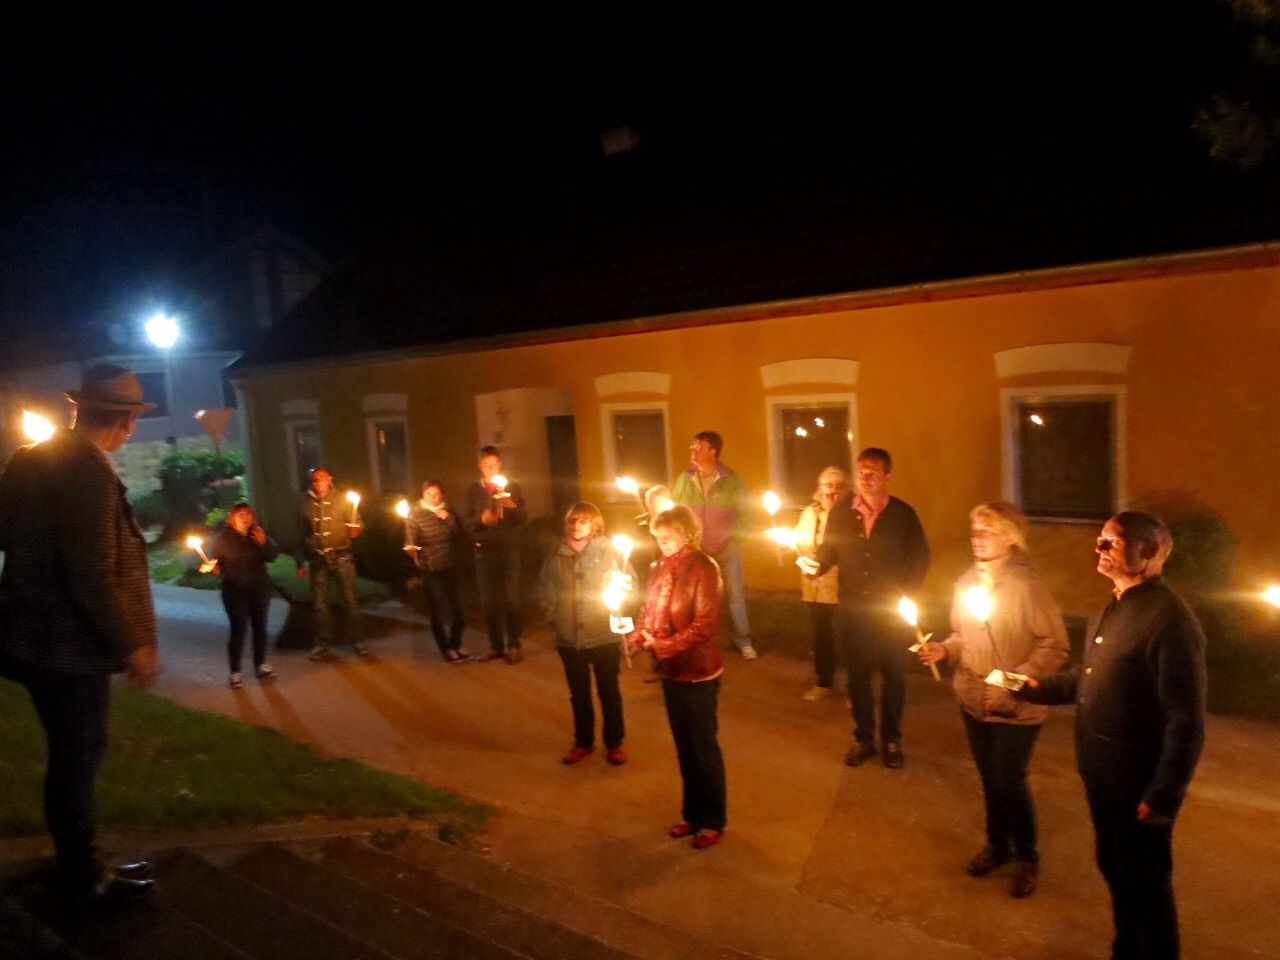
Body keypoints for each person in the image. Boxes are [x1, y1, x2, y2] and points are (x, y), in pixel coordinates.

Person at [0, 364, 159, 908]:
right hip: (71, 648)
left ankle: (77, 862)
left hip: (31, 640)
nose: (133, 427)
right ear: (124, 420)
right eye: (132, 416)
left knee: (69, 754)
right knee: (78, 757)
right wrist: (128, 644)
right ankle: (83, 877)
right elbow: (88, 570)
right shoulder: (88, 470)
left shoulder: (30, 458)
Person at [1019, 512, 1206, 959]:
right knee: (1115, 868)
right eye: (1099, 541)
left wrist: (1163, 796)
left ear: (1149, 552)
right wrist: (1034, 687)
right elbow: (1091, 682)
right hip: (1102, 775)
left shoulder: (1170, 623)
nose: (1098, 551)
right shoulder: (1112, 607)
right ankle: (1127, 947)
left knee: (1147, 882)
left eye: (1111, 544)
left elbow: (1186, 720)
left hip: (1138, 784)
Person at [917, 502, 1069, 898]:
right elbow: (962, 635)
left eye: (987, 531)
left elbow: (1055, 645)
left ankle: (1027, 858)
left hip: (1015, 702)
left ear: (1010, 538)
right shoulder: (967, 583)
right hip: (973, 698)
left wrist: (1017, 679)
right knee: (989, 779)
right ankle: (998, 846)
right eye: (975, 531)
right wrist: (944, 651)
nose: (977, 539)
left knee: (1009, 780)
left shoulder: (1027, 586)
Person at [813, 447, 929, 768]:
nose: (864, 479)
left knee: (894, 677)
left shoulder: (903, 515)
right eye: (861, 472)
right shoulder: (841, 513)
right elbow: (829, 550)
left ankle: (891, 739)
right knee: (858, 678)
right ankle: (864, 738)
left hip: (890, 614)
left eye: (872, 474)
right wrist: (817, 565)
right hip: (852, 612)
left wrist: (907, 592)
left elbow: (920, 558)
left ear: (887, 477)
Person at [627, 505, 727, 849]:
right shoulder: (658, 567)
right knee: (684, 748)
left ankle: (713, 820)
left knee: (703, 749)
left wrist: (665, 645)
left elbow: (704, 625)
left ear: (688, 532)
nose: (662, 541)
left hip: (698, 672)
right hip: (671, 673)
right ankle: (691, 814)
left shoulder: (704, 568)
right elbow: (649, 609)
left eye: (668, 535)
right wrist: (637, 637)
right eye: (657, 536)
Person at [540, 502, 635, 765]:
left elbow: (630, 584)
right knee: (578, 692)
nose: (577, 524)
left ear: (595, 524)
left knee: (609, 690)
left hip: (603, 634)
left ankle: (614, 742)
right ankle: (583, 741)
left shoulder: (610, 552)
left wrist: (622, 594)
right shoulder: (556, 555)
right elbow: (546, 589)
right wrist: (554, 618)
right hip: (570, 638)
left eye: (583, 520)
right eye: (572, 520)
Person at [672, 430, 756, 659]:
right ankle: (697, 640)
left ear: (713, 451)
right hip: (696, 551)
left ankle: (744, 640)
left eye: (698, 448)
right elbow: (676, 512)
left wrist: (735, 538)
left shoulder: (731, 481)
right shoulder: (684, 480)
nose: (693, 452)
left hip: (727, 548)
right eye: (692, 447)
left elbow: (747, 513)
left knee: (735, 595)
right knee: (695, 596)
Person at [460, 446, 527, 663]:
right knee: (489, 601)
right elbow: (465, 521)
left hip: (509, 550)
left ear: (500, 465)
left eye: (494, 464)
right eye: (486, 464)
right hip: (485, 552)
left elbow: (522, 516)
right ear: (480, 466)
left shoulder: (511, 487)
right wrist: (481, 520)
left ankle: (514, 645)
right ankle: (495, 645)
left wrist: (512, 505)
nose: (491, 468)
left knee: (512, 599)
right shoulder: (473, 491)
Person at [295, 466, 367, 659]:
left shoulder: (343, 500)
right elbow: (301, 535)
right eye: (315, 479)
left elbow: (358, 522)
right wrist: (300, 562)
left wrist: (356, 529)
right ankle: (322, 644)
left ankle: (358, 640)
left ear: (330, 480)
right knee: (320, 605)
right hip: (318, 560)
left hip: (342, 557)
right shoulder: (306, 504)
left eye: (323, 478)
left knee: (351, 600)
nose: (319, 482)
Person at [206, 503, 280, 689]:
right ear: (232, 517)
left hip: (259, 589)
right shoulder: (223, 538)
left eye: (248, 514)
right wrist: (214, 569)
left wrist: (265, 543)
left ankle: (260, 664)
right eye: (240, 514)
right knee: (238, 629)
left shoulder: (258, 534)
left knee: (260, 628)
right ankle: (235, 671)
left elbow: (273, 556)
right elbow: (216, 562)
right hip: (234, 591)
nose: (244, 517)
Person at [794, 466, 847, 701]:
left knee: (847, 636)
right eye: (827, 485)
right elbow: (800, 543)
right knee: (821, 635)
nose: (832, 491)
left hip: (842, 587)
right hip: (814, 587)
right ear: (819, 489)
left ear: (846, 490)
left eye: (838, 486)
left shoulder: (849, 515)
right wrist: (804, 560)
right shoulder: (809, 513)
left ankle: (856, 688)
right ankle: (823, 681)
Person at [405, 481, 470, 663]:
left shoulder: (448, 510)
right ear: (423, 495)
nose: (433, 498)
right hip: (430, 568)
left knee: (459, 609)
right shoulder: (416, 514)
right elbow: (411, 540)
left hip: (451, 565)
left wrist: (448, 518)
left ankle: (456, 643)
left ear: (442, 495)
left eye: (436, 494)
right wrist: (411, 550)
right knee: (438, 610)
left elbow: (460, 534)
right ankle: (446, 647)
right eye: (429, 494)